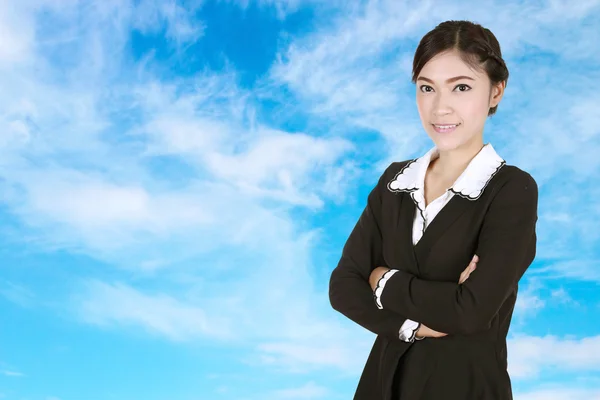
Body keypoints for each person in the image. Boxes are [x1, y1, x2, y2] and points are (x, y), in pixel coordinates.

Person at [328, 20, 538, 400]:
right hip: (380, 385)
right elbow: (342, 288)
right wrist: (418, 325)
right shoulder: (395, 181)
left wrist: (383, 281)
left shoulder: (511, 190)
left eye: (461, 87)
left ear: (496, 92)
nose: (440, 107)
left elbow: (471, 312)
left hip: (465, 387)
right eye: (427, 88)